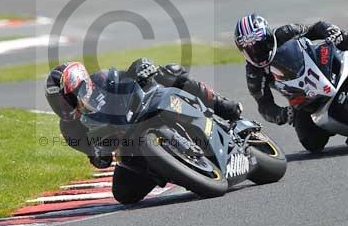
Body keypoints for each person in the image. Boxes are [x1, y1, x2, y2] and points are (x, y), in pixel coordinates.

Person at [233, 13, 348, 152]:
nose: (256, 51)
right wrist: (283, 114)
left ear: (268, 35)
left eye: (259, 44)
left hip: (320, 63)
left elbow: (315, 28)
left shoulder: (285, 33)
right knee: (311, 143)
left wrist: (332, 31)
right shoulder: (254, 74)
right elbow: (264, 105)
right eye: (249, 49)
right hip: (303, 98)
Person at [44, 59, 243, 169]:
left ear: (78, 85)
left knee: (170, 71)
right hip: (132, 147)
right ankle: (175, 171)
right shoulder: (69, 129)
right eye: (56, 104)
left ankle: (221, 105)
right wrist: (99, 155)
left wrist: (142, 68)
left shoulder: (101, 80)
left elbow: (128, 73)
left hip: (145, 110)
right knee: (123, 194)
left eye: (63, 100)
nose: (62, 108)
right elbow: (97, 160)